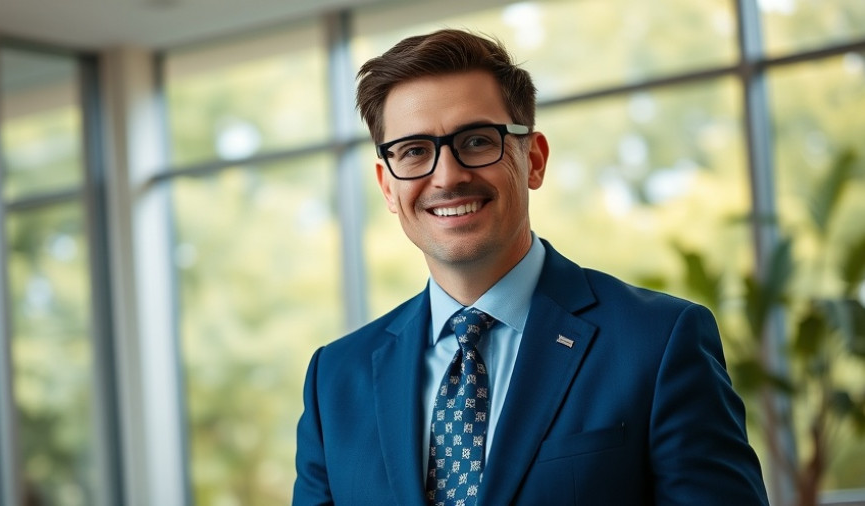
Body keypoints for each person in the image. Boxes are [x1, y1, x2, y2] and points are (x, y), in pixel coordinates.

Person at [293, 28, 768, 505]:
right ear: (387, 186)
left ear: (534, 159)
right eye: (414, 151)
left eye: (477, 141)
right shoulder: (334, 380)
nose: (448, 175)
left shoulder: (659, 341)